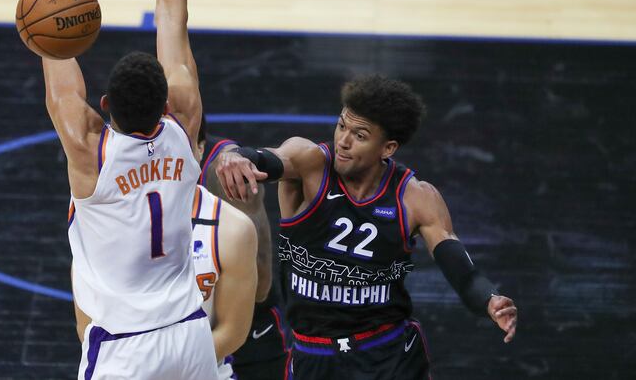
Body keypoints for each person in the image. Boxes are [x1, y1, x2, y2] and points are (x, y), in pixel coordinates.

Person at [215, 75, 518, 379]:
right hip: (313, 353)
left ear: (387, 148)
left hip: (387, 355)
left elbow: (461, 271)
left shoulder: (415, 197)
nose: (343, 141)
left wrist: (489, 300)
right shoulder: (309, 164)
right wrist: (235, 156)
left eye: (359, 135)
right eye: (342, 126)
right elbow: (270, 158)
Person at [43, 0, 217, 379]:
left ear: (103, 107)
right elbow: (172, 18)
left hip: (125, 348)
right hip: (189, 333)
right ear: (166, 103)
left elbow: (55, 43)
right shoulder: (184, 124)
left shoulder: (89, 149)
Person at [197, 115, 292, 379]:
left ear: (197, 147)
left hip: (246, 336)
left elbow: (260, 286)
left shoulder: (225, 170)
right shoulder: (132, 165)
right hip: (180, 331)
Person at [190, 182, 258, 379]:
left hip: (203, 371)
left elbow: (233, 332)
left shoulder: (233, 226)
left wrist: (167, 369)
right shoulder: (113, 217)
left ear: (200, 149)